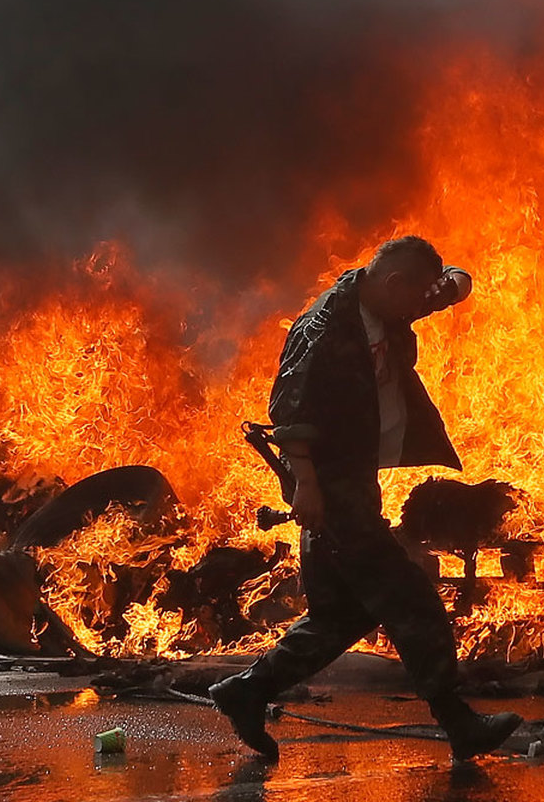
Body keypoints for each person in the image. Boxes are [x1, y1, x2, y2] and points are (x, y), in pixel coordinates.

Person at [209, 236, 522, 762]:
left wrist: (454, 285)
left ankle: (247, 691)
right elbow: (289, 408)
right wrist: (307, 484)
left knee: (340, 615)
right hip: (331, 485)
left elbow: (447, 287)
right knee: (410, 598)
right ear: (394, 286)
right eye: (416, 297)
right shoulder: (326, 329)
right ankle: (458, 722)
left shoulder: (385, 296)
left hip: (355, 477)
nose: (419, 308)